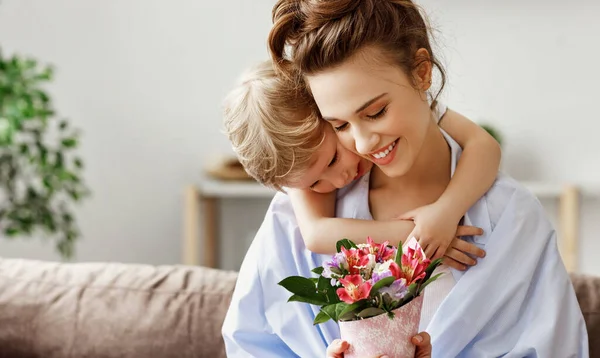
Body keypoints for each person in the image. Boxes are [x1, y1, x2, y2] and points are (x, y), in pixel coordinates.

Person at [223, 1, 589, 357]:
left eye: (377, 111)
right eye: (339, 125)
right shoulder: (297, 216)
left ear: (422, 72)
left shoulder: (511, 217)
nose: (364, 143)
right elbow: (251, 342)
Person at [223, 60, 495, 272]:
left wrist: (446, 212)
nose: (338, 181)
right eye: (315, 184)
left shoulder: (412, 106)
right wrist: (421, 237)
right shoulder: (298, 161)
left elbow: (484, 145)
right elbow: (316, 235)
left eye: (333, 160)